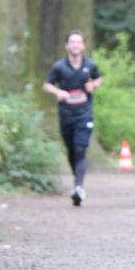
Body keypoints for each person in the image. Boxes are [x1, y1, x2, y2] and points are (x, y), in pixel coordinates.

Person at [43, 30, 103, 207]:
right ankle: (77, 179)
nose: (75, 45)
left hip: (84, 113)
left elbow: (99, 79)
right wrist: (58, 92)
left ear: (83, 45)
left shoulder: (90, 65)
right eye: (72, 42)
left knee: (80, 148)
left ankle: (78, 187)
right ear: (67, 46)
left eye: (78, 42)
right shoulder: (59, 67)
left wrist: (93, 85)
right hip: (66, 114)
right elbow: (47, 85)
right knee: (71, 150)